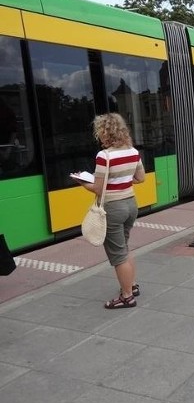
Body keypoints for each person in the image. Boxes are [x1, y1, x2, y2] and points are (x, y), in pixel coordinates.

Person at [72, 113, 145, 309]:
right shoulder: (133, 151)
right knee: (124, 247)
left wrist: (81, 181)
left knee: (118, 254)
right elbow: (140, 178)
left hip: (113, 208)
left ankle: (127, 297)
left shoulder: (104, 156)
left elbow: (97, 188)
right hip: (131, 204)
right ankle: (133, 285)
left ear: (104, 133)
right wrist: (122, 180)